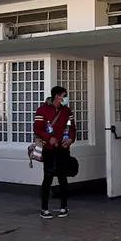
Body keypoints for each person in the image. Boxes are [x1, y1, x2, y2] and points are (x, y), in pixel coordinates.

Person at [33, 86, 77, 219]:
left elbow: (72, 128)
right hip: (49, 149)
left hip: (63, 149)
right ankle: (44, 209)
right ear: (57, 96)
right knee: (48, 178)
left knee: (63, 178)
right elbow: (37, 129)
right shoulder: (42, 110)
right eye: (64, 95)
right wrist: (48, 138)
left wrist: (70, 139)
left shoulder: (67, 111)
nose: (65, 98)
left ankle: (64, 207)